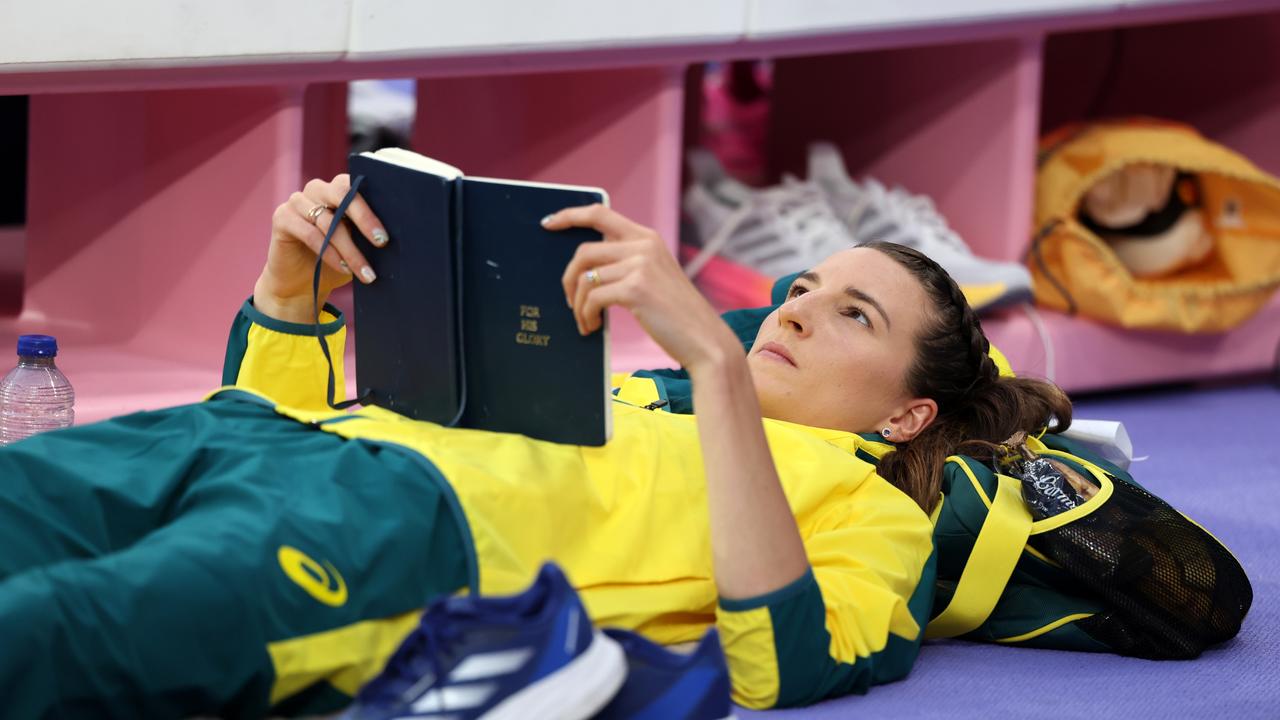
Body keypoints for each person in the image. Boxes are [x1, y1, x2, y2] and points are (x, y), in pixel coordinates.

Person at [0, 174, 1070, 719]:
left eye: (852, 317)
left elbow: (779, 664)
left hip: (393, 537)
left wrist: (714, 365)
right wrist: (288, 296)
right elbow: (288, 410)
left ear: (905, 416)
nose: (792, 312)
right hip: (246, 436)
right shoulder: (636, 393)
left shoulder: (870, 507)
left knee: (53, 630)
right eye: (802, 289)